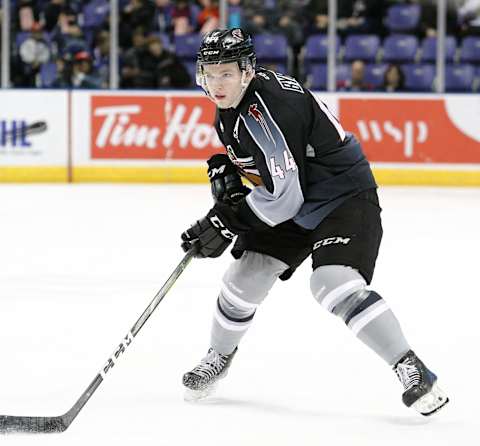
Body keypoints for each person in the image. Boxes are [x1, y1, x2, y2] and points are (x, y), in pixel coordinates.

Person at [180, 28, 449, 416]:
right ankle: (218, 357)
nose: (217, 83)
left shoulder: (264, 111)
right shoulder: (235, 104)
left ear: (247, 71)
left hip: (343, 196)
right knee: (244, 278)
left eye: (227, 73)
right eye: (210, 72)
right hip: (299, 195)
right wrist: (235, 180)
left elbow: (283, 199)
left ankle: (409, 365)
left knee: (333, 283)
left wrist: (227, 220)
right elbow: (279, 177)